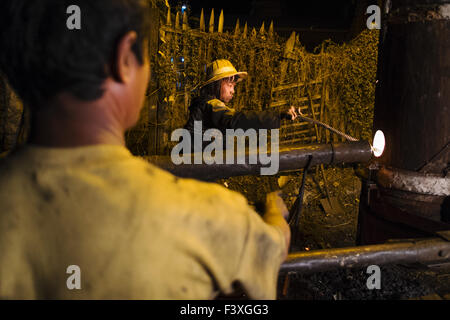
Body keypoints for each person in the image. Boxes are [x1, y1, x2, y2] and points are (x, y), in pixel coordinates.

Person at [0, 0, 290, 299]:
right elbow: (273, 245)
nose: (233, 87)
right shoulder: (212, 217)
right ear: (124, 60)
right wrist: (274, 210)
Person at [184, 59, 299, 143]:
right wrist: (278, 115)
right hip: (196, 169)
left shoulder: (202, 104)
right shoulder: (212, 105)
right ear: (217, 85)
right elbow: (237, 119)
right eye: (229, 85)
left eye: (234, 86)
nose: (233, 91)